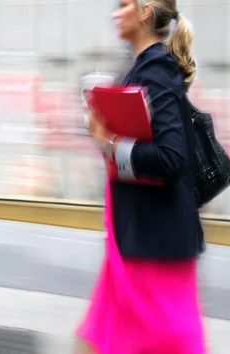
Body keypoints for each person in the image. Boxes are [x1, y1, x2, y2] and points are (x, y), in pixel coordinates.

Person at [75, 0, 205, 353]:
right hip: (136, 234)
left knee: (152, 342)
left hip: (153, 243)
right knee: (98, 339)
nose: (116, 14)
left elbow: (171, 158)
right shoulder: (141, 68)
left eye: (124, 5)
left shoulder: (157, 70)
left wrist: (110, 142)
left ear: (145, 11)